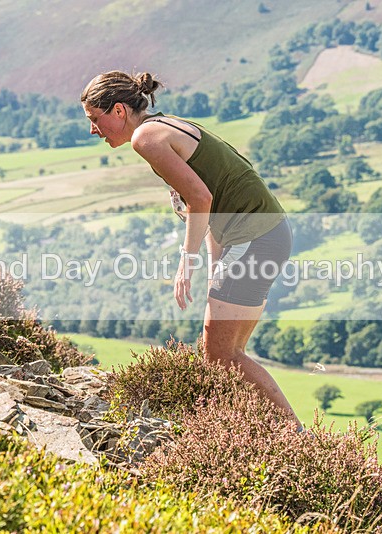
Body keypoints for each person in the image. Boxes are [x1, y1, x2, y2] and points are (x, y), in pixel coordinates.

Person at [81, 71, 303, 431]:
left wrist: (187, 262)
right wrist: (217, 268)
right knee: (226, 355)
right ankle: (257, 434)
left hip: (255, 238)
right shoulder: (164, 125)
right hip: (266, 234)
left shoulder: (146, 138)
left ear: (119, 110)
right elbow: (213, 203)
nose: (93, 130)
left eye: (95, 118)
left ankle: (295, 437)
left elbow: (201, 198)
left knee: (222, 355)